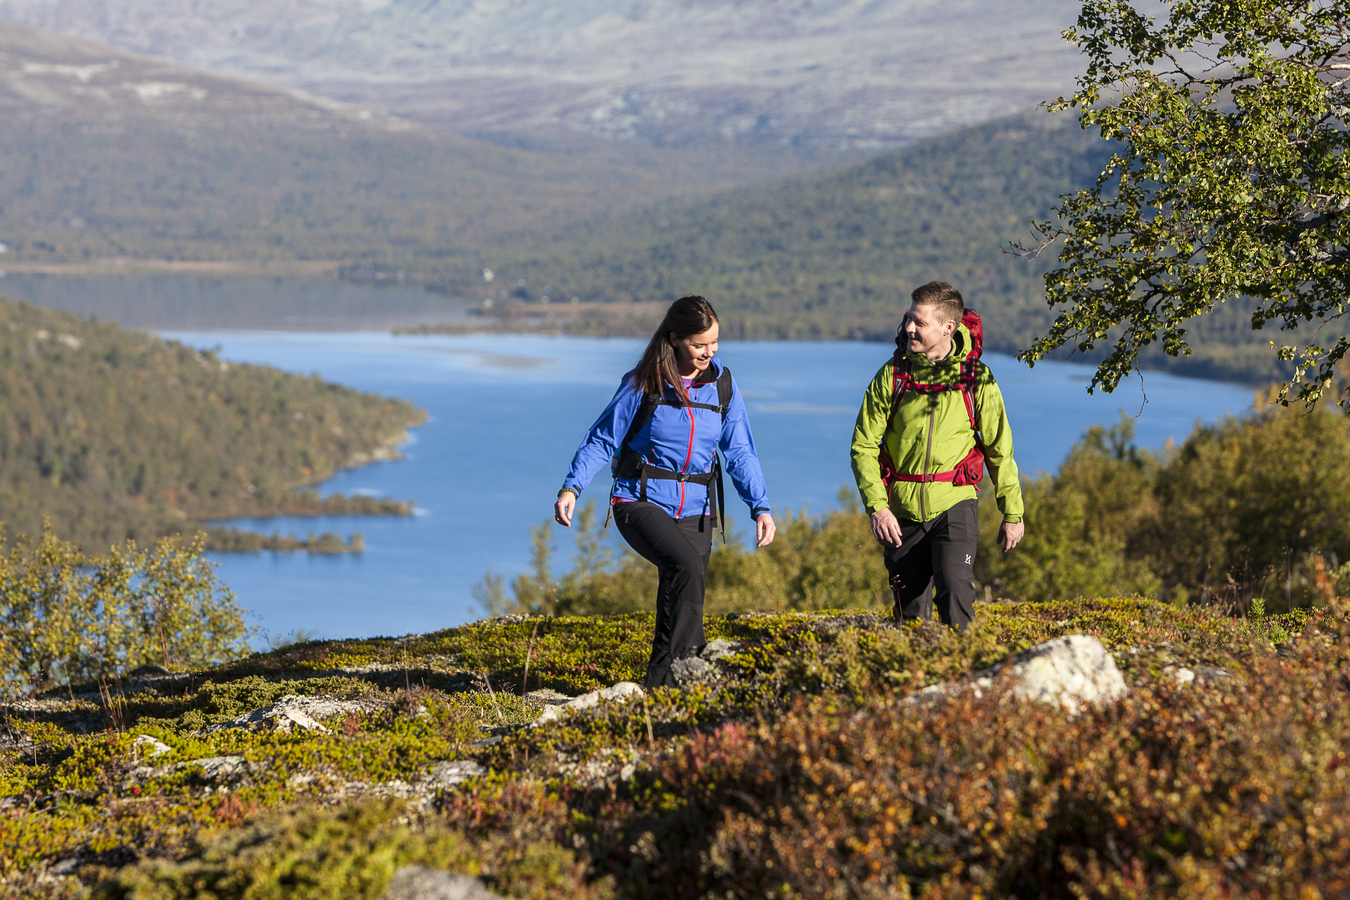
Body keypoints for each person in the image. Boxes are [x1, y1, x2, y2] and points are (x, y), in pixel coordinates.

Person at [554, 295, 776, 688]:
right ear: (674, 339)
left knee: (685, 600)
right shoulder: (645, 381)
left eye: (714, 343)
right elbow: (603, 439)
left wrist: (760, 506)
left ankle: (670, 688)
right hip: (638, 501)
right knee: (686, 569)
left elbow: (739, 449)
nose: (709, 352)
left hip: (698, 508)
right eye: (699, 344)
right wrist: (572, 486)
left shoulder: (722, 385)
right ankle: (669, 686)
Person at [850, 281, 1024, 628]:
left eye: (920, 322)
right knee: (910, 612)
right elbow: (863, 446)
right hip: (900, 512)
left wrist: (1012, 512)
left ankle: (964, 674)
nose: (909, 327)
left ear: (948, 328)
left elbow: (999, 449)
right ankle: (918, 680)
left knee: (955, 591)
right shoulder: (893, 375)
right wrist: (878, 508)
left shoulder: (976, 379)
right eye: (909, 319)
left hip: (955, 502)